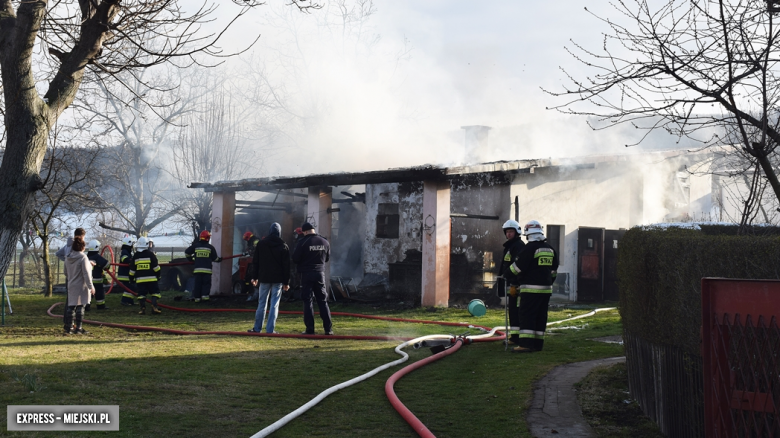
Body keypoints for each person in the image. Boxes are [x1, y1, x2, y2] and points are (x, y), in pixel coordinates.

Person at [510, 220, 559, 353]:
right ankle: (537, 344)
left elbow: (517, 268)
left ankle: (525, 344)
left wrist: (508, 274)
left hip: (530, 290)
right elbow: (554, 271)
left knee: (527, 315)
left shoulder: (529, 248)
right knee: (540, 316)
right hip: (546, 289)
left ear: (528, 234)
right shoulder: (550, 249)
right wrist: (548, 282)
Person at [248, 223, 290, 334]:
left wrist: (254, 277)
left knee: (261, 303)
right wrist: (286, 282)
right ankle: (270, 330)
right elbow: (286, 266)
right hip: (278, 279)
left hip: (264, 278)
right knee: (274, 304)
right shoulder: (283, 246)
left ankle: (257, 328)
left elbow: (255, 262)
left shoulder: (261, 244)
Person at [292, 222, 333, 335]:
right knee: (322, 301)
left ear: (305, 231)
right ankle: (328, 329)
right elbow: (327, 258)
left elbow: (295, 258)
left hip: (307, 274)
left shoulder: (303, 242)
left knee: (308, 300)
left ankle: (310, 329)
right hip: (320, 274)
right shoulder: (324, 241)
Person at [498, 219, 526, 346]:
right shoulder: (510, 246)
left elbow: (518, 266)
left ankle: (518, 337)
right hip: (511, 285)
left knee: (517, 311)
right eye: (507, 232)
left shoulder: (518, 246)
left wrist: (515, 284)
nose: (508, 234)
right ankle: (515, 337)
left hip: (517, 286)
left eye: (511, 231)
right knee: (513, 311)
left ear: (516, 232)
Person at [63, 236, 95, 334]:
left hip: (71, 283)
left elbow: (65, 272)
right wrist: (91, 286)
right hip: (81, 285)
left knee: (71, 306)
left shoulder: (68, 257)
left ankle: (69, 327)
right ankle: (79, 328)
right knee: (81, 305)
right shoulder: (83, 257)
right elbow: (86, 273)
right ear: (82, 247)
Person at [56, 228, 86, 323]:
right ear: (81, 236)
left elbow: (58, 253)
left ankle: (68, 322)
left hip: (69, 275)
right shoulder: (76, 246)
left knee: (69, 299)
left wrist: (66, 262)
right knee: (75, 302)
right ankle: (72, 323)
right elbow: (78, 259)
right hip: (76, 276)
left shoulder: (67, 246)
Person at [185, 230, 222, 303]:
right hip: (207, 271)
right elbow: (215, 258)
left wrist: (191, 260)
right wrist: (220, 259)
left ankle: (197, 299)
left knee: (197, 284)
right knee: (206, 284)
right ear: (208, 238)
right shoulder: (210, 247)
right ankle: (205, 298)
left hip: (197, 270)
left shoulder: (196, 246)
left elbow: (187, 252)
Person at [129, 237, 163, 315]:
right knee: (155, 293)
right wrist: (158, 275)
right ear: (147, 245)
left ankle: (142, 309)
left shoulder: (136, 256)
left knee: (141, 294)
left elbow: (132, 270)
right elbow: (156, 267)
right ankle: (154, 307)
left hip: (140, 280)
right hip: (152, 279)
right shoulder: (151, 254)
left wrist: (131, 279)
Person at [86, 240, 111, 310]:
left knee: (89, 294)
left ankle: (86, 306)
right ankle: (101, 306)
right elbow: (106, 265)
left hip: (88, 280)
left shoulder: (86, 257)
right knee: (99, 293)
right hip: (97, 280)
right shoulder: (97, 257)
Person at [116, 236, 136, 306]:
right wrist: (131, 261)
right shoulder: (125, 251)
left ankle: (130, 301)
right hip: (124, 274)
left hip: (126, 274)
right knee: (129, 288)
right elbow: (124, 259)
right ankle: (124, 301)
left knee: (131, 287)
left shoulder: (127, 251)